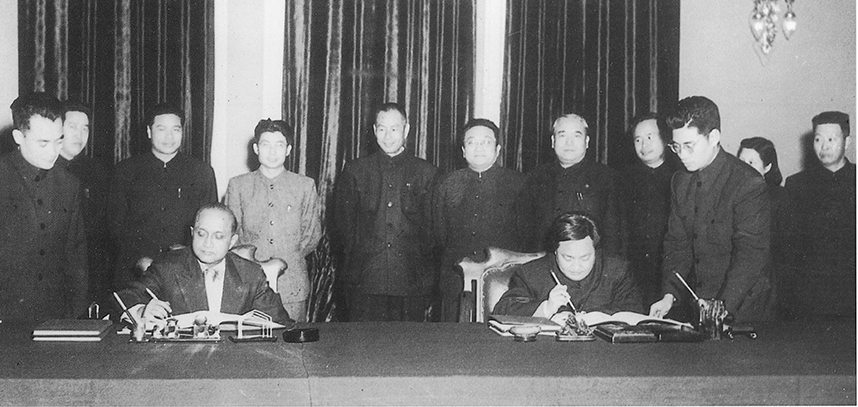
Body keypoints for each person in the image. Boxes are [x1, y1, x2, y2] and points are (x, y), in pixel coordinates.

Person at [649, 96, 774, 323]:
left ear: (714, 137)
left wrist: (722, 308)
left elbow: (750, 256)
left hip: (743, 306)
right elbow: (677, 244)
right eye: (676, 146)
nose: (682, 154)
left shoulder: (748, 183)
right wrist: (669, 296)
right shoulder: (680, 181)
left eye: (689, 145)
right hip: (700, 306)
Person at [333, 102, 440, 322]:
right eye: (382, 129)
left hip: (411, 281)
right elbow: (344, 227)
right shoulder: (355, 171)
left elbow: (432, 232)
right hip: (364, 280)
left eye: (394, 129)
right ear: (374, 131)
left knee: (407, 342)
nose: (388, 136)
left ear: (406, 130)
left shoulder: (427, 173)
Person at [118, 203, 292, 326]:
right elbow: (124, 298)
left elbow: (281, 323)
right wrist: (141, 311)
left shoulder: (250, 274)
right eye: (201, 234)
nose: (208, 243)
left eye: (218, 236)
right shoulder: (167, 267)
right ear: (192, 233)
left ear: (232, 241)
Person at [108, 103, 217, 290]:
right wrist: (138, 260)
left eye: (176, 129)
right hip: (134, 273)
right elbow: (115, 226)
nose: (169, 137)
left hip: (186, 273)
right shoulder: (125, 171)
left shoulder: (201, 172)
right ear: (149, 132)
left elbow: (210, 226)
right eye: (161, 129)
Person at [0, 92, 88, 322]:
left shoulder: (69, 184)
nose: (53, 152)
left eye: (59, 141)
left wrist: (73, 317)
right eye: (43, 143)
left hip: (55, 317)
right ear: (18, 137)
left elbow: (75, 257)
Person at [224, 119, 322, 322]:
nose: (272, 151)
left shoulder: (304, 186)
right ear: (256, 148)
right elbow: (231, 235)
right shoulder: (238, 186)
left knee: (293, 339)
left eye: (279, 144)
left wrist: (288, 256)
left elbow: (311, 235)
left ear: (288, 150)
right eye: (265, 144)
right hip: (248, 285)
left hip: (292, 286)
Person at [431, 119, 525, 322]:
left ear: (498, 149)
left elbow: (526, 235)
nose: (479, 148)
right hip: (455, 280)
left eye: (486, 142)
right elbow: (439, 233)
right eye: (472, 142)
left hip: (504, 280)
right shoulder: (447, 184)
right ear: (463, 150)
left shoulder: (518, 184)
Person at [516, 113, 626, 257]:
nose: (569, 142)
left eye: (576, 135)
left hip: (590, 264)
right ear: (553, 141)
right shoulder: (535, 178)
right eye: (562, 135)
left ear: (587, 141)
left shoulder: (607, 178)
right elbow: (524, 234)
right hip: (542, 264)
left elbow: (615, 236)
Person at [493, 212, 643, 317]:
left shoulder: (617, 271)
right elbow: (503, 310)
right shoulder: (530, 273)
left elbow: (634, 312)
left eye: (585, 258)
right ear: (555, 251)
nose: (576, 267)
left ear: (596, 251)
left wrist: (594, 316)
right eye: (568, 258)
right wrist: (547, 308)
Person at [784, 111, 855, 319]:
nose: (824, 146)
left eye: (832, 139)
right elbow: (789, 248)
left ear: (847, 142)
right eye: (818, 139)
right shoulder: (796, 185)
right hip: (810, 297)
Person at [55, 100, 112, 303]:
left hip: (90, 271)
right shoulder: (44, 167)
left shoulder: (97, 171)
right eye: (72, 127)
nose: (79, 135)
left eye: (85, 128)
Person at [620, 113, 678, 306]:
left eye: (650, 137)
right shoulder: (623, 179)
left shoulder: (680, 176)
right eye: (638, 139)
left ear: (665, 138)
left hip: (670, 271)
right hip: (634, 272)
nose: (644, 145)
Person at [737, 137, 795, 319]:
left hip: (769, 281)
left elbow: (787, 246)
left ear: (767, 167)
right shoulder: (731, 195)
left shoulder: (779, 196)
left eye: (751, 163)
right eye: (741, 161)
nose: (744, 168)